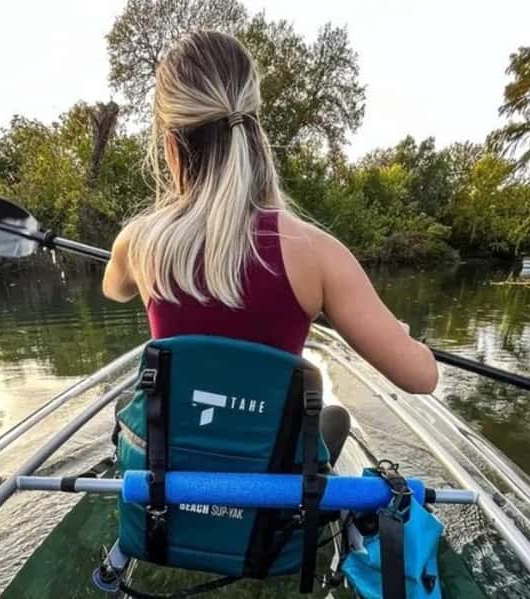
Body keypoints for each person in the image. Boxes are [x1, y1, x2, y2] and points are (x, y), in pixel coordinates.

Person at [103, 30, 438, 464]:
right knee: (334, 419)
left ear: (170, 144)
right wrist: (407, 340)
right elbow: (421, 376)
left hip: (171, 496)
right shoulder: (317, 254)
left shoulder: (140, 244)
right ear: (253, 130)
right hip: (270, 516)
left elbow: (114, 289)